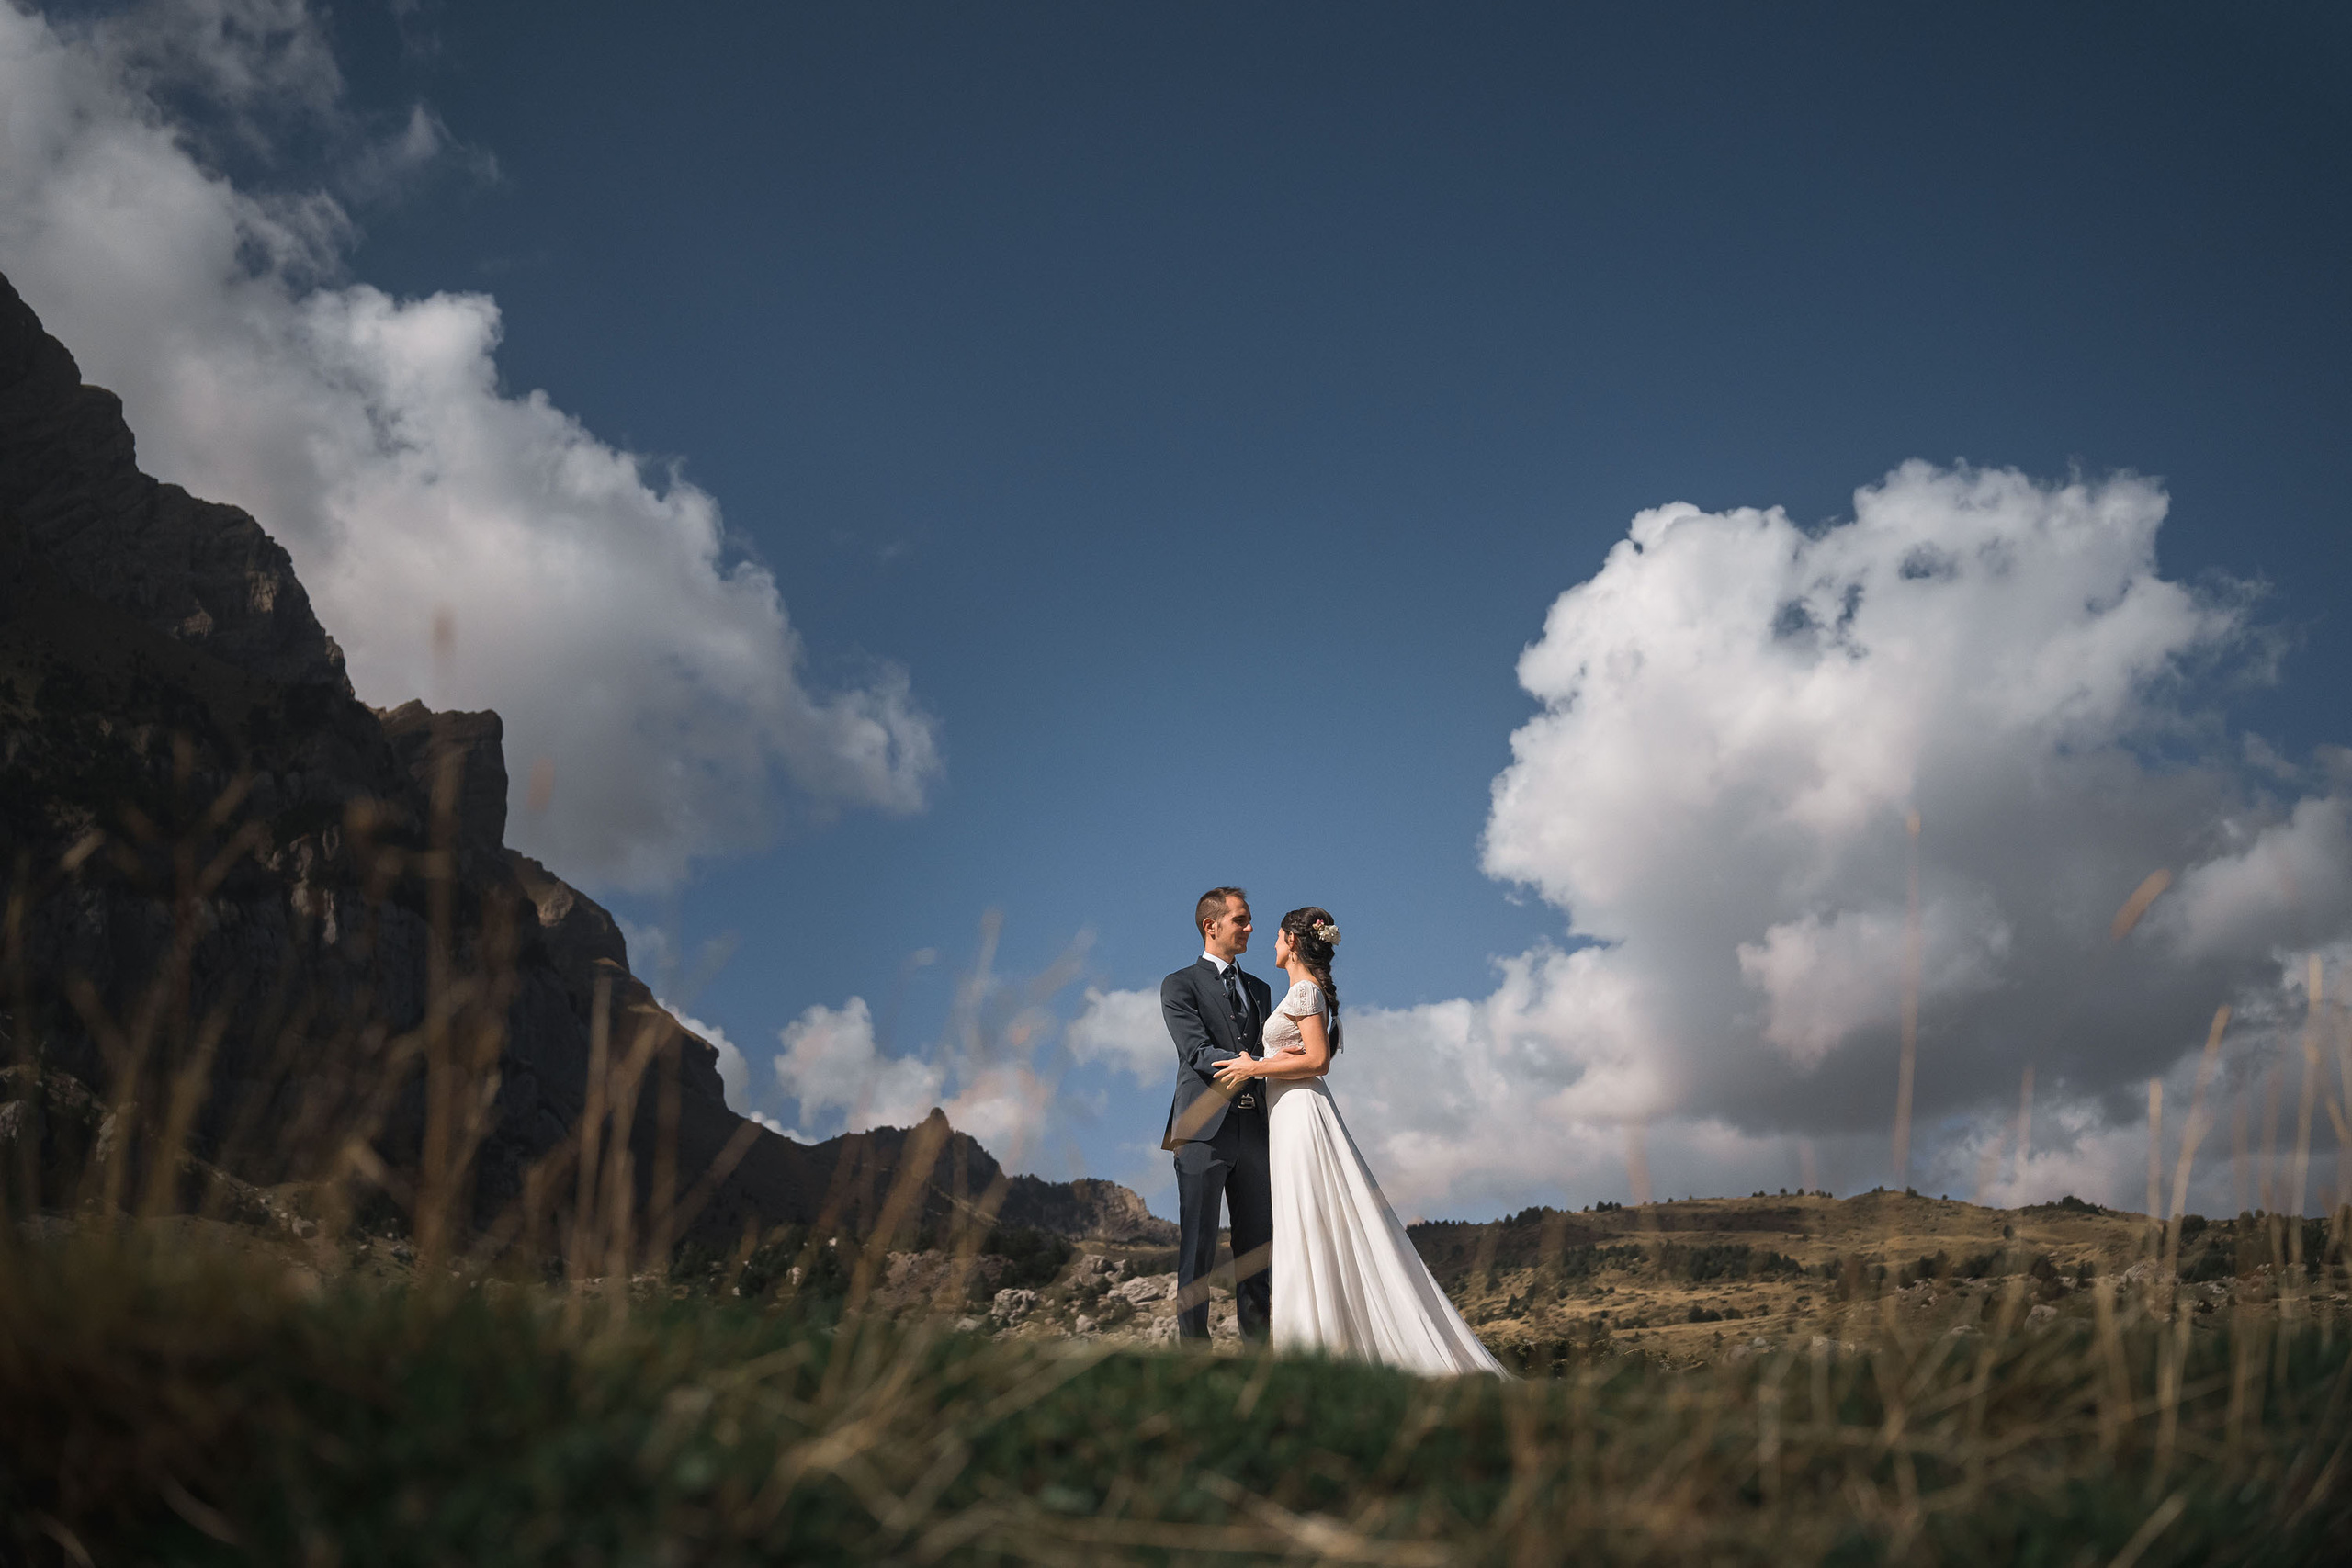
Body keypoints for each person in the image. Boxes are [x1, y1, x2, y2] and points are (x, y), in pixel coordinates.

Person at [1214, 906, 1506, 1377]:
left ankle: (1318, 1343)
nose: (1272, 944)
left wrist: (1255, 1067)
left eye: (1278, 936)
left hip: (1302, 1113)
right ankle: (1318, 1337)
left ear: (1292, 941)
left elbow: (1318, 1060)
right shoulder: (1301, 991)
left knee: (1309, 1214)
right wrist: (1271, 1061)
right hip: (1287, 1112)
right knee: (1302, 1216)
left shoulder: (1305, 991)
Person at [1159, 886, 1273, 1342]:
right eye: (1241, 920)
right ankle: (1194, 1357)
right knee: (1198, 1248)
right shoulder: (1179, 984)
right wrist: (1252, 1064)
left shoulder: (1261, 989)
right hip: (1202, 1131)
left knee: (1258, 1250)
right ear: (1212, 926)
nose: (1250, 927)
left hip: (1256, 1132)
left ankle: (1259, 1358)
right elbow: (1197, 1051)